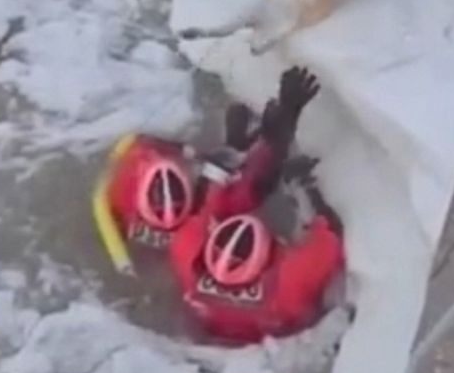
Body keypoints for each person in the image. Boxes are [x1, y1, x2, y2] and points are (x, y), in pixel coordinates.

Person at [104, 67, 321, 256]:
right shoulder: (211, 209)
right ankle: (237, 146)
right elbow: (259, 179)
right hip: (197, 242)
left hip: (173, 250)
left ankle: (235, 147)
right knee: (252, 186)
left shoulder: (126, 181)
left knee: (237, 178)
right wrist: (286, 116)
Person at [169, 152, 344, 344]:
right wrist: (304, 188)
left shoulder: (187, 254)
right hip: (278, 349)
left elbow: (202, 214)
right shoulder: (290, 282)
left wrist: (218, 178)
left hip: (213, 337)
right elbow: (330, 234)